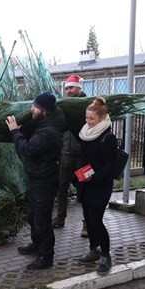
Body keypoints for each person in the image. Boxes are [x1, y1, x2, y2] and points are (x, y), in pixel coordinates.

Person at [5, 91, 66, 270]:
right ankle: (36, 245)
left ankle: (46, 256)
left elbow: (28, 148)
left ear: (43, 111)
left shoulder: (49, 132)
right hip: (37, 177)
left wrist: (15, 131)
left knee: (42, 220)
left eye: (35, 107)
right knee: (32, 216)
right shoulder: (44, 124)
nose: (32, 109)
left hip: (44, 181)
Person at [76, 96, 116, 275]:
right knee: (87, 218)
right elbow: (84, 159)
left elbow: (110, 165)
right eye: (86, 118)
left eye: (91, 118)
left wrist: (95, 177)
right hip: (86, 183)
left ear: (101, 118)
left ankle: (106, 255)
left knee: (96, 219)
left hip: (100, 184)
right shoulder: (86, 133)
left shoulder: (108, 137)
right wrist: (80, 174)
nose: (88, 121)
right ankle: (93, 249)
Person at [52, 75, 89, 238]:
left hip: (84, 157)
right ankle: (60, 217)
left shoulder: (88, 106)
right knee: (62, 186)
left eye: (71, 88)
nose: (68, 91)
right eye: (66, 88)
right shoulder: (63, 106)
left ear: (79, 88)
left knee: (86, 189)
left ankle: (87, 224)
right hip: (66, 155)